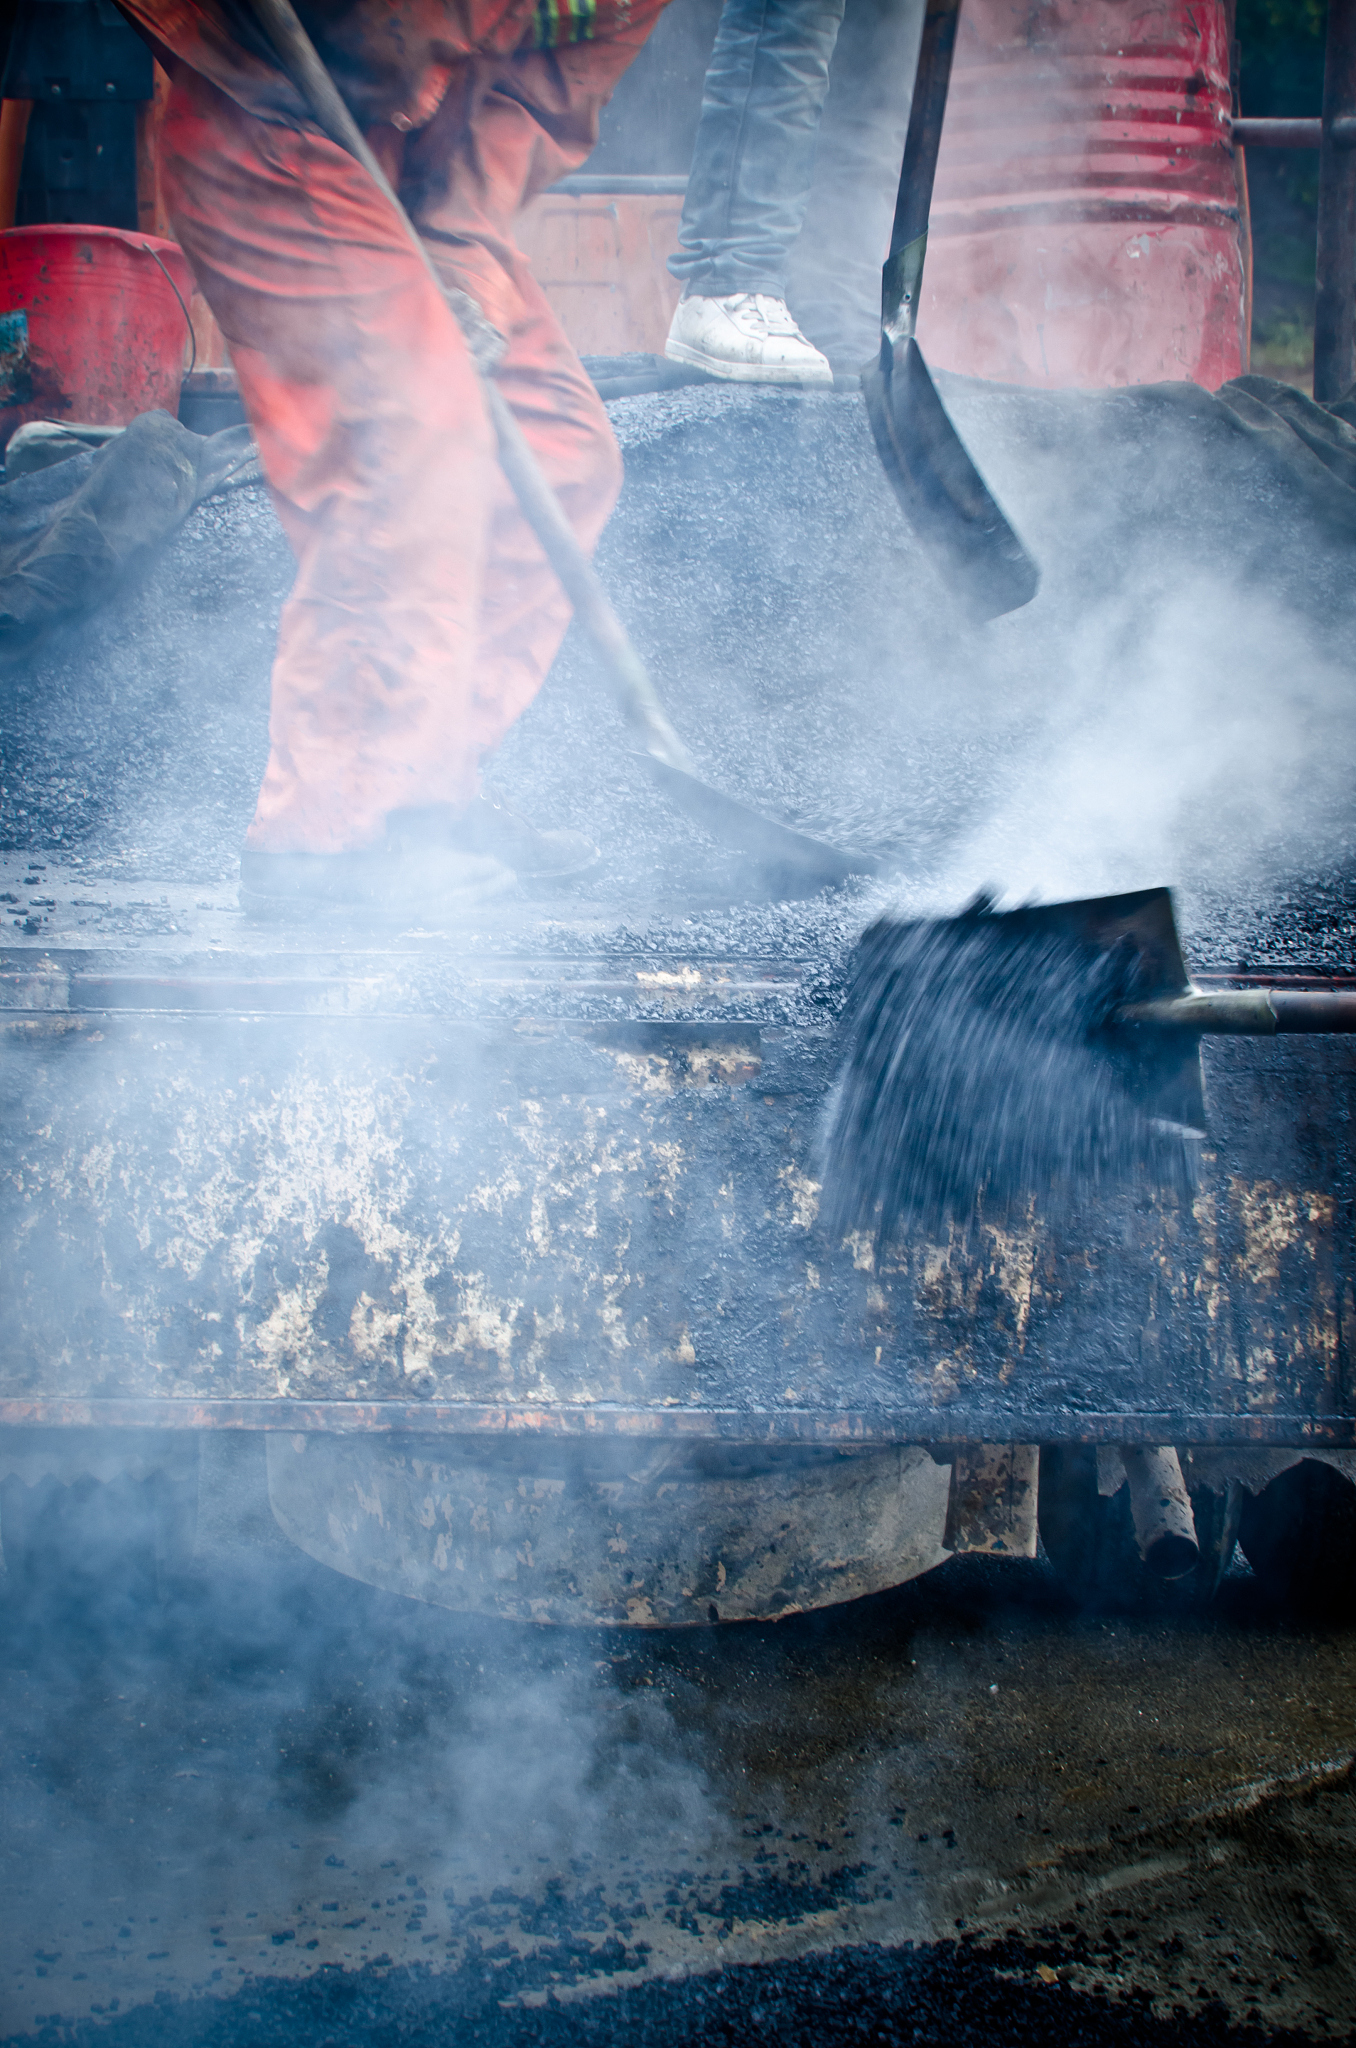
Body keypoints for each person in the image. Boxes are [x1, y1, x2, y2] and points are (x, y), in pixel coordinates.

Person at [112, 0, 674, 915]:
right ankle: (325, 838)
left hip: (416, 178)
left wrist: (460, 266)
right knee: (407, 446)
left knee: (558, 449)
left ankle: (421, 797)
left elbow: (524, 113)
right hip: (270, 124)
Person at [665, 0, 922, 384]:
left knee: (882, 42)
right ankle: (727, 282)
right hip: (729, 275)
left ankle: (834, 315)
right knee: (792, 16)